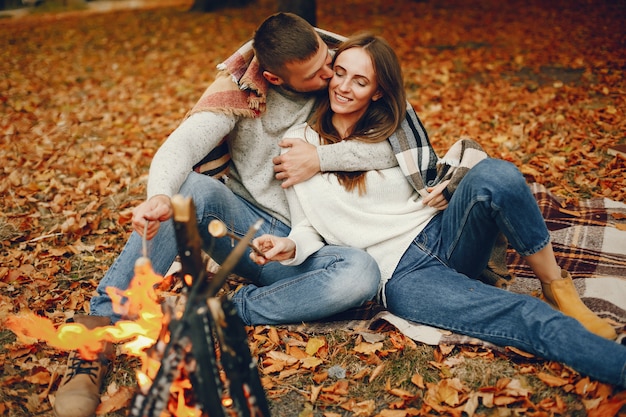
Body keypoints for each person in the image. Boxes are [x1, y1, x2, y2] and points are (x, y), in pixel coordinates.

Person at [52, 13, 401, 417]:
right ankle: (99, 332)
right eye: (317, 73)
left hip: (322, 241)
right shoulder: (241, 93)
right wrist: (159, 197)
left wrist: (321, 158)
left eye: (328, 58)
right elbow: (180, 146)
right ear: (274, 78)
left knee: (360, 272)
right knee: (190, 190)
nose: (331, 75)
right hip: (251, 231)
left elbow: (396, 140)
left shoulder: (347, 73)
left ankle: (220, 312)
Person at [250, 33, 625, 388]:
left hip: (446, 233)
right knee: (524, 315)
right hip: (404, 276)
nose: (343, 87)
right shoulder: (299, 144)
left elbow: (432, 175)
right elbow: (307, 224)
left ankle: (556, 287)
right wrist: (292, 247)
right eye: (341, 73)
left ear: (378, 91)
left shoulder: (396, 132)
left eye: (360, 81)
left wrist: (448, 188)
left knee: (497, 174)